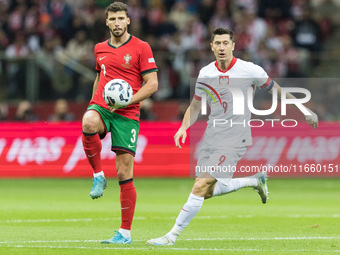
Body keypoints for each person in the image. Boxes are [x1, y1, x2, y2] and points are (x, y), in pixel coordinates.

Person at [147, 27, 318, 246]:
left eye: (225, 43)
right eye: (217, 43)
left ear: (233, 45)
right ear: (211, 47)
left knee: (200, 186)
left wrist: (305, 111)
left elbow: (277, 90)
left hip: (236, 135)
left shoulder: (249, 70)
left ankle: (171, 237)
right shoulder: (206, 73)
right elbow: (196, 105)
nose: (221, 47)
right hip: (212, 135)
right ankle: (254, 180)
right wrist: (183, 127)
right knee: (206, 191)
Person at [81, 2, 158, 244]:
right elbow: (99, 76)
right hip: (103, 107)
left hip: (127, 113)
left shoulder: (141, 47)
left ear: (128, 21)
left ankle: (124, 233)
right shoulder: (99, 48)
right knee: (88, 122)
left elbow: (153, 84)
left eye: (121, 18)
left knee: (124, 171)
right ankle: (98, 175)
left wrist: (127, 101)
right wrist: (93, 103)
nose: (116, 23)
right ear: (106, 22)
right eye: (112, 18)